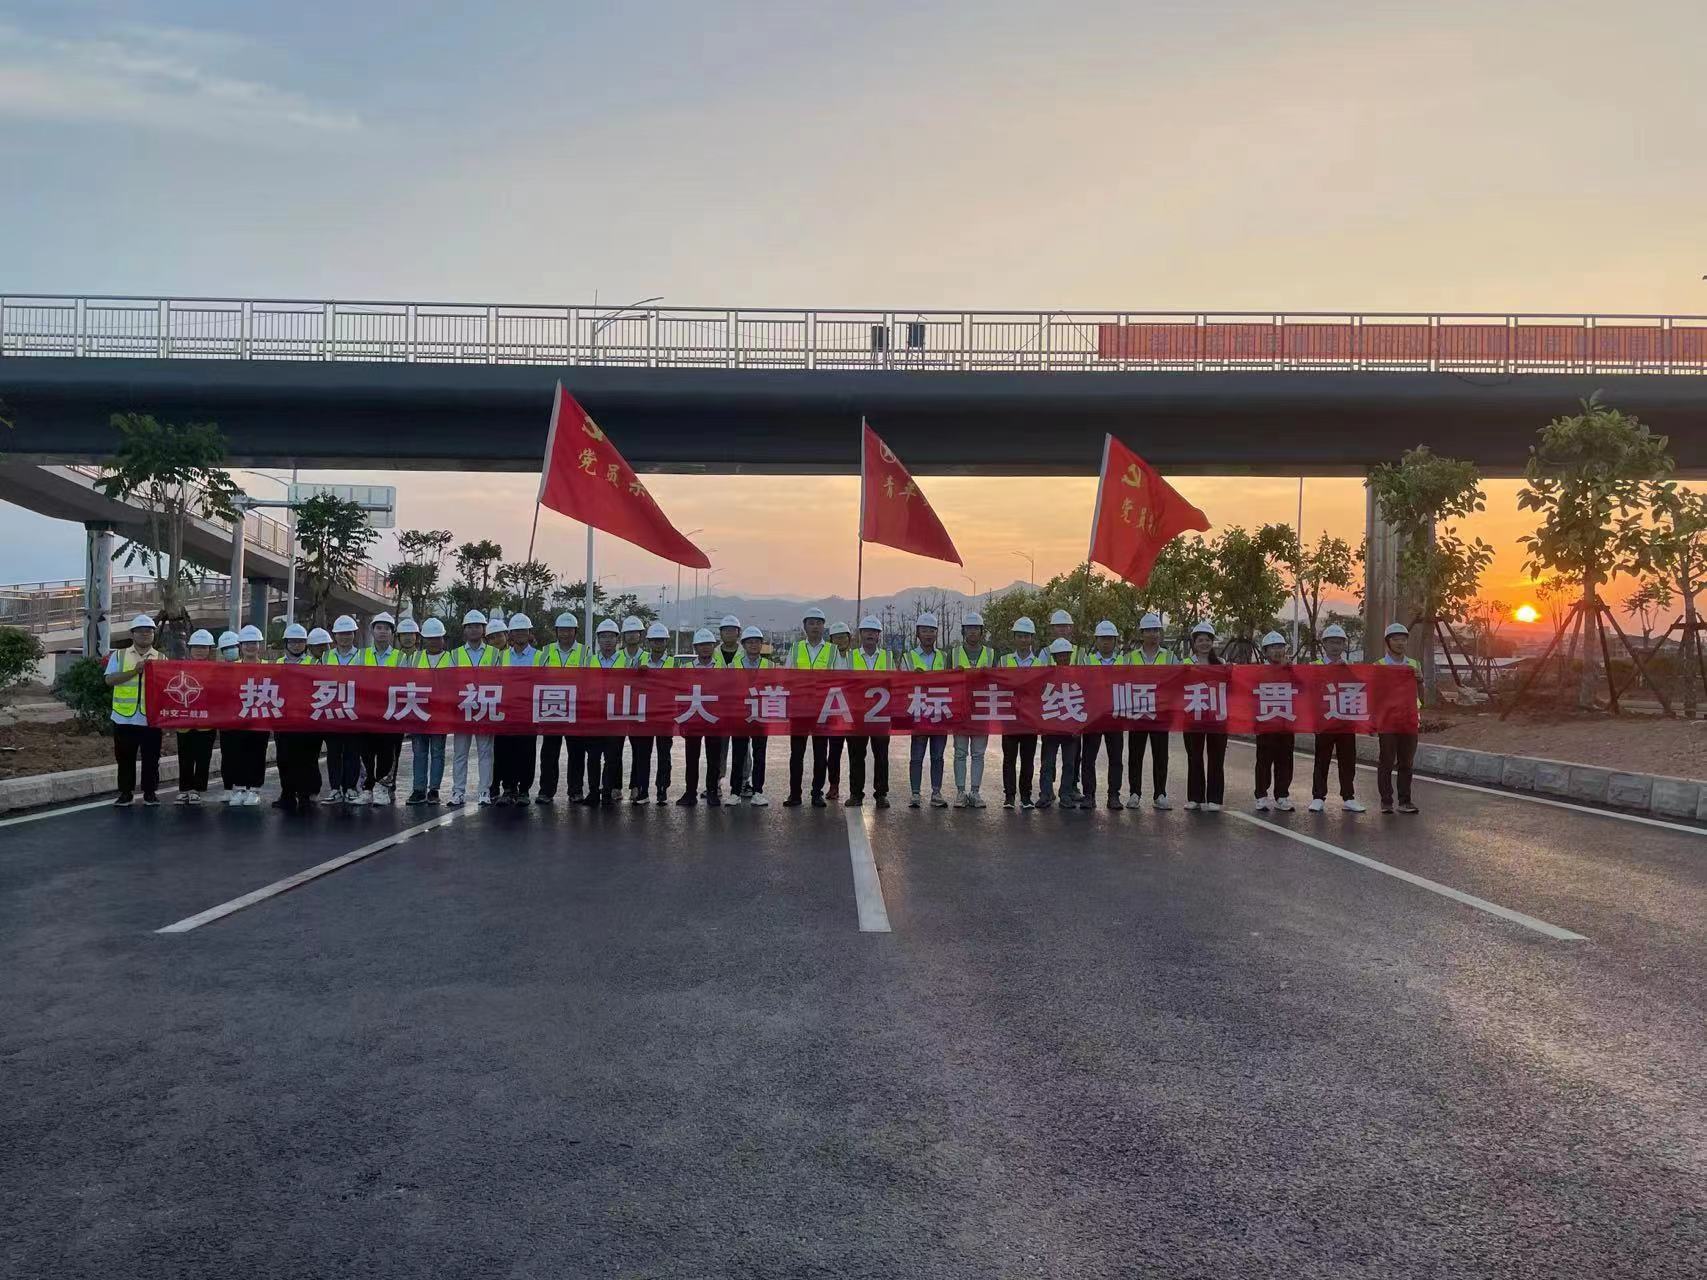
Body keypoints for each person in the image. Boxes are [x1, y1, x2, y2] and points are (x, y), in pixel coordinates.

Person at [1309, 622, 1367, 814]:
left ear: (1344, 646)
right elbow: (1307, 688)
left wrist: (1346, 670)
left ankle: (1349, 797)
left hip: (1345, 721)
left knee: (1348, 761)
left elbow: (1362, 688)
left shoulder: (1350, 667)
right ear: (1324, 645)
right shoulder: (1314, 666)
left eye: (1339, 642)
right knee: (1321, 760)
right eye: (1332, 642)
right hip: (1324, 721)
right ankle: (1318, 797)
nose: (1335, 646)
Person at [105, 614, 163, 806]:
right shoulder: (119, 655)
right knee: (125, 759)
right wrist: (133, 671)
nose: (145, 634)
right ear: (132, 634)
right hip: (124, 717)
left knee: (151, 759)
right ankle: (125, 793)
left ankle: (150, 793)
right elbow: (109, 680)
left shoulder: (161, 658)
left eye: (149, 631)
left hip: (151, 718)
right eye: (141, 631)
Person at [783, 606, 833, 807]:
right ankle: (795, 794)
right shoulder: (795, 649)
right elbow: (787, 676)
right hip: (800, 709)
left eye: (819, 623)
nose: (815, 626)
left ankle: (817, 792)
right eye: (811, 623)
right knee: (797, 753)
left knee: (821, 754)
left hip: (823, 709)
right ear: (804, 626)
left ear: (824, 627)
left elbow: (840, 680)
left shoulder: (833, 651)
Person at [448, 609, 500, 806]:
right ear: (464, 630)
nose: (474, 629)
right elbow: (449, 682)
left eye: (477, 626)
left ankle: (484, 791)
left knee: (485, 753)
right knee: (460, 753)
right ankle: (457, 792)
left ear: (483, 629)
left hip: (486, 708)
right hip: (462, 709)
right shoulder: (455, 654)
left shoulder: (495, 653)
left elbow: (500, 680)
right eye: (470, 626)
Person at [534, 612, 585, 806]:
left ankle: (576, 791)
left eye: (569, 630)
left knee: (576, 753)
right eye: (561, 630)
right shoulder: (545, 651)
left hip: (575, 710)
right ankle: (546, 791)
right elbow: (537, 678)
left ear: (575, 632)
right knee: (549, 753)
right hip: (552, 709)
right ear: (556, 631)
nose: (565, 634)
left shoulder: (585, 652)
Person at [1125, 612, 1174, 810]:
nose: (1153, 634)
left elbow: (1179, 683)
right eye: (1149, 631)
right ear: (1142, 634)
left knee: (1161, 755)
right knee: (1135, 756)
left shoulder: (1170, 657)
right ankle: (1134, 793)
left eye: (1156, 630)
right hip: (1137, 714)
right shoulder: (1129, 658)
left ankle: (1160, 794)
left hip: (1160, 714)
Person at [577, 619, 627, 805]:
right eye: (603, 637)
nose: (607, 640)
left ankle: (607, 791)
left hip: (616, 716)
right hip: (594, 716)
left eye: (611, 637)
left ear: (617, 639)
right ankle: (592, 791)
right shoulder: (589, 661)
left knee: (612, 757)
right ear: (598, 640)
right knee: (593, 757)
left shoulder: (627, 661)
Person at [220, 624, 271, 805]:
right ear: (240, 646)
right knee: (237, 753)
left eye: (254, 643)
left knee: (257, 753)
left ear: (260, 645)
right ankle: (240, 788)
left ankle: (255, 789)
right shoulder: (231, 668)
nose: (250, 647)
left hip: (260, 717)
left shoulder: (269, 667)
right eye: (246, 643)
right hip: (237, 718)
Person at [1078, 620, 1126, 810]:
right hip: (1093, 717)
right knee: (1089, 758)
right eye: (1102, 639)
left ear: (1115, 641)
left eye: (1109, 639)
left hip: (1115, 717)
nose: (1106, 642)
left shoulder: (1124, 661)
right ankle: (1088, 795)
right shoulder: (1086, 661)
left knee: (1116, 759)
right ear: (1096, 641)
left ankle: (1114, 796)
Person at [844, 615, 890, 809]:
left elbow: (895, 683)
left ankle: (881, 795)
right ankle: (856, 794)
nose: (870, 635)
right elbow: (843, 684)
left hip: (881, 715)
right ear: (860, 634)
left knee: (881, 756)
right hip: (856, 715)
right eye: (867, 632)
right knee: (856, 755)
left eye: (874, 632)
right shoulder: (850, 657)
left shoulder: (887, 657)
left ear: (878, 636)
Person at [358, 611, 404, 805]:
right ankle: (367, 789)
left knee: (388, 752)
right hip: (366, 714)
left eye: (386, 628)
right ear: (372, 631)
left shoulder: (401, 657)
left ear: (392, 633)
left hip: (391, 714)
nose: (382, 632)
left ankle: (384, 789)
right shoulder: (361, 655)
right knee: (366, 753)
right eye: (379, 628)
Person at [318, 615, 366, 803]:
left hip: (354, 711)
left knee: (353, 751)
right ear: (335, 636)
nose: (344, 637)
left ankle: (351, 787)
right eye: (341, 634)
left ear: (354, 634)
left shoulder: (363, 656)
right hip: (332, 711)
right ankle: (335, 788)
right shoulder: (326, 656)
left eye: (348, 633)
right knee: (334, 751)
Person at [491, 613, 537, 804]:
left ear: (529, 633)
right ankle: (508, 788)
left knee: (526, 751)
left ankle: (524, 789)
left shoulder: (540, 656)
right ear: (510, 634)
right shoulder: (500, 657)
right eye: (516, 631)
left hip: (528, 712)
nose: (520, 634)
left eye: (523, 630)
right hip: (505, 712)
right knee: (504, 751)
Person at [1180, 621, 1226, 811]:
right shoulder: (1185, 664)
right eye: (1200, 640)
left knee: (1216, 757)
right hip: (1193, 716)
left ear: (1212, 642)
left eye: (1207, 640)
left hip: (1217, 717)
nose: (1204, 643)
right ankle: (1195, 797)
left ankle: (1214, 798)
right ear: (1194, 643)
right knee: (1195, 757)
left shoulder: (1222, 663)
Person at [405, 617, 452, 804]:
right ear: (423, 639)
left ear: (443, 639)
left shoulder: (451, 658)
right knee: (419, 752)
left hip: (441, 714)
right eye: (430, 638)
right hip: (418, 711)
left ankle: (434, 790)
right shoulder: (414, 658)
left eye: (437, 637)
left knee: (438, 752)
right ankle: (418, 789)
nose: (433, 641)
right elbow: (403, 683)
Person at [1377, 621, 1422, 815]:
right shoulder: (1378, 666)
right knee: (1386, 761)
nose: (1400, 643)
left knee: (1406, 763)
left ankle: (1405, 801)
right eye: (1396, 639)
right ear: (1388, 642)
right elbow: (1373, 695)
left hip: (1409, 719)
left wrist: (1420, 681)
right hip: (1387, 721)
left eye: (1403, 639)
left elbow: (1421, 696)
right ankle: (1386, 801)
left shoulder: (1414, 665)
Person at [677, 629, 727, 805]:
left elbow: (727, 695)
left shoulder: (722, 668)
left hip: (714, 719)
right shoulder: (686, 668)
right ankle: (690, 792)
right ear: (695, 647)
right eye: (701, 645)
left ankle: (712, 791)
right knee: (691, 758)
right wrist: (681, 720)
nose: (705, 648)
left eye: (709, 645)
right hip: (693, 718)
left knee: (713, 758)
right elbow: (680, 695)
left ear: (714, 647)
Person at [999, 617, 1044, 809]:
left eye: (1027, 636)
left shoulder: (1040, 663)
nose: (1024, 640)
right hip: (1009, 718)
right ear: (1014, 638)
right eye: (1020, 636)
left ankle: (1026, 796)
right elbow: (998, 686)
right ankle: (1009, 796)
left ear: (1032, 638)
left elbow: (1042, 690)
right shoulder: (1004, 660)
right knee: (1009, 758)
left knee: (1027, 759)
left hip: (1029, 719)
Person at [272, 623, 318, 810]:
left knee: (306, 759)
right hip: (283, 718)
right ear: (286, 643)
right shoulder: (278, 664)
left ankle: (305, 794)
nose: (296, 645)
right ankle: (287, 794)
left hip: (307, 720)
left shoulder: (314, 663)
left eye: (300, 642)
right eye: (293, 641)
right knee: (284, 758)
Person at [907, 612, 951, 808]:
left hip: (940, 712)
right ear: (918, 633)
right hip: (918, 712)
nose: (928, 634)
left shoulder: (944, 657)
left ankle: (936, 792)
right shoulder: (908, 657)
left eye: (932, 631)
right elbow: (901, 685)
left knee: (937, 756)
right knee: (916, 756)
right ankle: (915, 794)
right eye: (924, 630)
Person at [950, 611, 993, 807]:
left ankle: (975, 792)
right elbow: (944, 680)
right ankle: (960, 792)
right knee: (960, 752)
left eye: (976, 629)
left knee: (978, 753)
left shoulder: (991, 654)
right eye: (969, 628)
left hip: (981, 709)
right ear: (963, 631)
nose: (973, 632)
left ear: (982, 632)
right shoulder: (953, 653)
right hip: (959, 710)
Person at [172, 628, 219, 805]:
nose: (200, 650)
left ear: (209, 649)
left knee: (202, 756)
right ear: (189, 649)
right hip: (184, 720)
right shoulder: (179, 668)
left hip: (206, 721)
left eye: (204, 647)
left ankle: (197, 790)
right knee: (185, 756)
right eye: (196, 647)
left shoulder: (216, 669)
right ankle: (184, 789)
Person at [729, 625, 773, 805]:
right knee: (738, 754)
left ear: (761, 645)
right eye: (750, 642)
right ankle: (735, 791)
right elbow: (727, 689)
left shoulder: (769, 665)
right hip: (740, 715)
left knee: (760, 754)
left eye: (757, 642)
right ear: (744, 644)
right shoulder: (734, 664)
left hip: (761, 715)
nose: (754, 645)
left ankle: (758, 791)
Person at [1254, 630, 1296, 812]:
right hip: (1265, 722)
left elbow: (1302, 688)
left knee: (1285, 760)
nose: (1277, 651)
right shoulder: (1257, 671)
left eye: (1280, 647)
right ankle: (1261, 795)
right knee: (1264, 760)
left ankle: (1282, 795)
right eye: (1273, 648)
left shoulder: (1292, 670)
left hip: (1286, 722)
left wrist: (1290, 670)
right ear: (1265, 652)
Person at [1036, 637, 1080, 809]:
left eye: (1066, 655)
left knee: (1069, 763)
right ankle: (1046, 793)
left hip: (1071, 728)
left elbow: (1084, 701)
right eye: (1059, 655)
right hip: (1051, 727)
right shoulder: (1046, 675)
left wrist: (1079, 727)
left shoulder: (1078, 675)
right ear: (1054, 657)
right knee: (1048, 763)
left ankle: (1066, 794)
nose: (1063, 658)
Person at [637, 620, 676, 803]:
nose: (658, 644)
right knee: (643, 755)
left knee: (664, 755)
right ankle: (643, 791)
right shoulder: (640, 661)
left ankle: (662, 789)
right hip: (645, 716)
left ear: (666, 642)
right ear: (649, 642)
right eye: (654, 640)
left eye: (661, 640)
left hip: (665, 716)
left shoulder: (673, 663)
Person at [615, 615, 650, 803]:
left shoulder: (647, 657)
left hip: (640, 710)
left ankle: (636, 786)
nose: (631, 636)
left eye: (635, 632)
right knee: (615, 750)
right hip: (618, 708)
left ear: (641, 635)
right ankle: (615, 786)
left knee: (640, 751)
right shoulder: (617, 656)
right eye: (628, 633)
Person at [824, 621, 855, 800]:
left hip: (854, 712)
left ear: (849, 639)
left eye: (843, 637)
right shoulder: (829, 659)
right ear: (831, 640)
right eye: (836, 637)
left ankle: (854, 789)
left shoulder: (855, 657)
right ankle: (833, 785)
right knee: (834, 752)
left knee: (855, 753)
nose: (840, 640)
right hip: (833, 711)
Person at [214, 628, 240, 795]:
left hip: (247, 720)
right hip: (226, 721)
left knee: (245, 755)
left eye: (233, 646)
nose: (230, 650)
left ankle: (244, 786)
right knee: (228, 755)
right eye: (226, 648)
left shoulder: (250, 666)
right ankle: (228, 787)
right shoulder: (217, 670)